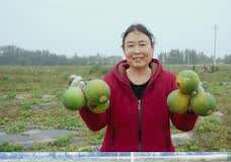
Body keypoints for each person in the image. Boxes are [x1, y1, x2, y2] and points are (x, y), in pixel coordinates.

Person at [78, 23, 198, 152]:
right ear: (124, 50)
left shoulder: (169, 81)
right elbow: (96, 125)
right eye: (130, 46)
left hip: (159, 158)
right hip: (117, 159)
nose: (137, 51)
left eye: (142, 44)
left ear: (152, 48)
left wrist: (191, 109)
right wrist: (85, 104)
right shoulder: (109, 82)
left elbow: (183, 125)